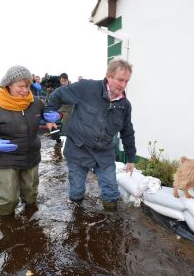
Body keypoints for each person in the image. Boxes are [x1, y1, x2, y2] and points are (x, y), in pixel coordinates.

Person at [44, 59, 136, 210]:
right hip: (78, 149)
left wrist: (131, 158)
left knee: (111, 192)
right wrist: (49, 113)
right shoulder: (86, 88)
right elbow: (58, 95)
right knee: (77, 191)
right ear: (109, 76)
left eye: (127, 81)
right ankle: (77, 219)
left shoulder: (124, 105)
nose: (123, 85)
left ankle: (111, 223)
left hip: (104, 153)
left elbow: (127, 131)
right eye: (120, 80)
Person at [0, 65, 56, 215]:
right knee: (9, 199)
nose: (25, 90)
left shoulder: (36, 103)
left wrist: (56, 117)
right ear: (9, 85)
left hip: (31, 157)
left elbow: (49, 118)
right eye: (20, 86)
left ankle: (31, 224)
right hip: (5, 159)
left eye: (28, 85)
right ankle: (6, 228)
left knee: (31, 196)